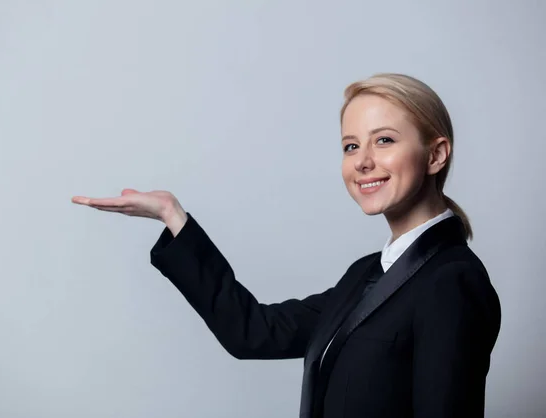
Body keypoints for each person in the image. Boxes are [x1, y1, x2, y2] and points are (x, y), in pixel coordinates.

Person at [71, 73, 501, 418]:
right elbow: (253, 332)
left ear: (435, 154)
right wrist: (173, 217)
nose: (362, 160)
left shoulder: (451, 281)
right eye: (351, 146)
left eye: (384, 139)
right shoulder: (366, 274)